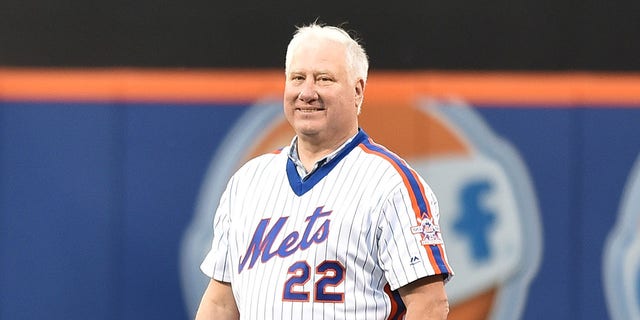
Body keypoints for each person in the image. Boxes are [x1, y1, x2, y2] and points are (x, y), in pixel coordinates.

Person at [195, 22, 453, 320]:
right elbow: (220, 303)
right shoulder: (248, 181)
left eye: (324, 79)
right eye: (297, 78)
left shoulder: (391, 184)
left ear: (357, 91)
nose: (307, 92)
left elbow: (430, 305)